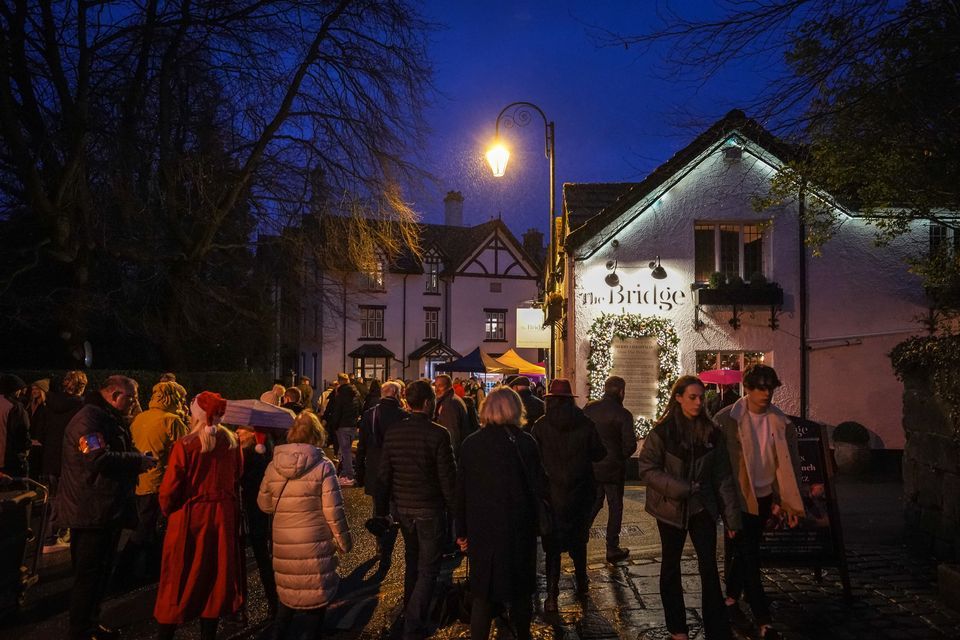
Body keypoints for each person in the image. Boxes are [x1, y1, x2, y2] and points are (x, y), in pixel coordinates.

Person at [637, 375, 742, 640]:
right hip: (670, 508)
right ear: (679, 398)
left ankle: (717, 628)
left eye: (700, 397)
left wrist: (731, 518)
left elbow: (723, 476)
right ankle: (678, 629)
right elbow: (648, 469)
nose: (697, 402)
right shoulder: (663, 432)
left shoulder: (712, 432)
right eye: (692, 397)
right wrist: (679, 487)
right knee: (670, 566)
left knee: (708, 566)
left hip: (702, 506)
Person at [59, 375, 156, 640]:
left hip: (104, 507)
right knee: (88, 574)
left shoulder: (105, 417)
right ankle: (80, 629)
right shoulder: (89, 420)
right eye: (132, 398)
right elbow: (97, 458)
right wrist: (136, 461)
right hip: (91, 510)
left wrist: (136, 457)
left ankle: (91, 622)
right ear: (114, 395)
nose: (135, 403)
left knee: (101, 571)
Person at [713, 364, 804, 640]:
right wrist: (726, 511)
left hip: (765, 498)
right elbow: (720, 468)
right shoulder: (726, 420)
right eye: (760, 388)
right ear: (748, 388)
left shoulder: (780, 421)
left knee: (745, 551)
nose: (766, 394)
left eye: (770, 388)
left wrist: (784, 500)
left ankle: (730, 600)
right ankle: (764, 621)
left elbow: (788, 464)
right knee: (751, 555)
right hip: (739, 499)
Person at [456, 387, 547, 640]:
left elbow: (460, 491)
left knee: (483, 595)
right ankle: (522, 634)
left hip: (483, 529)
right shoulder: (525, 442)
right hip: (518, 528)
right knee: (520, 594)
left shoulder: (471, 444)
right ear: (516, 410)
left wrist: (461, 531)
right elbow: (540, 486)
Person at [154, 392, 244, 640]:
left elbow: (170, 488)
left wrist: (166, 511)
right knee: (214, 576)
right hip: (222, 516)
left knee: (180, 576)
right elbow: (237, 475)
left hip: (190, 516)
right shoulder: (231, 442)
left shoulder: (186, 445)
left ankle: (166, 632)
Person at [258, 411, 352, 640]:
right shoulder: (323, 466)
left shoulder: (273, 465)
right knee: (314, 607)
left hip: (285, 545)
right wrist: (344, 540)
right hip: (314, 545)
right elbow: (333, 510)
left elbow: (264, 503)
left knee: (287, 603)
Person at [377, 379, 456, 640]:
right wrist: (457, 511)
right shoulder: (438, 434)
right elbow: (448, 479)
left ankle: (409, 609)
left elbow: (384, 475)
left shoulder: (394, 432)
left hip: (403, 509)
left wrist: (383, 510)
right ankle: (413, 622)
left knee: (412, 561)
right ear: (426, 403)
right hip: (429, 509)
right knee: (429, 568)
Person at [531, 378, 605, 613]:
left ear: (551, 400)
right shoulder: (585, 423)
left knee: (552, 549)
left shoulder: (541, 426)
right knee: (579, 541)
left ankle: (552, 598)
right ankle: (582, 582)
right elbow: (599, 453)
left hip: (552, 495)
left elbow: (534, 458)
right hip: (580, 492)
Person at [119, 381, 189, 583]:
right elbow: (184, 451)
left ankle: (144, 568)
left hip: (139, 479)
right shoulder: (171, 420)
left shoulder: (140, 417)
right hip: (159, 481)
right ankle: (128, 571)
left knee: (145, 526)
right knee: (149, 528)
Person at [584, 375, 638, 564]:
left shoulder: (590, 409)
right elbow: (630, 444)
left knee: (594, 502)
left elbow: (584, 436)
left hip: (593, 466)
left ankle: (581, 535)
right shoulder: (623, 414)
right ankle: (612, 547)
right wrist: (618, 457)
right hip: (614, 469)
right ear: (621, 392)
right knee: (615, 507)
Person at [356, 380, 408, 568]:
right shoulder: (403, 416)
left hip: (375, 470)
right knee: (394, 510)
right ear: (397, 394)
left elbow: (361, 446)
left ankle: (380, 544)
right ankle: (388, 548)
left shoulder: (370, 414)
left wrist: (359, 471)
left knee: (378, 508)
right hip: (395, 470)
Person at [33, 370, 87, 552]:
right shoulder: (81, 408)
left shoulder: (48, 405)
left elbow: (39, 434)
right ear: (81, 387)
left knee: (53, 498)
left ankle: (53, 535)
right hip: (70, 460)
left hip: (50, 459)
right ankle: (51, 537)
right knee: (67, 499)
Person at [236, 424, 279, 618]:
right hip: (255, 511)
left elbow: (247, 482)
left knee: (262, 557)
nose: (237, 431)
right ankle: (273, 602)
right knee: (262, 557)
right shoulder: (261, 451)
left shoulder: (255, 455)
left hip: (255, 511)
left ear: (253, 434)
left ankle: (273, 602)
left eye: (242, 429)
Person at [323, 373, 361, 485]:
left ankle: (349, 476)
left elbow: (337, 412)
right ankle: (345, 473)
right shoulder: (356, 393)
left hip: (343, 425)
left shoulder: (341, 394)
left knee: (345, 451)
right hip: (352, 424)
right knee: (346, 450)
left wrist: (334, 426)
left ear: (340, 381)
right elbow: (360, 407)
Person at [0, 374, 31, 477]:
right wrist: (26, 449)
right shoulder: (15, 408)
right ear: (15, 390)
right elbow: (22, 432)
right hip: (9, 460)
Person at [433, 374, 467, 455]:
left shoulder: (449, 404)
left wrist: (450, 456)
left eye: (440, 386)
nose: (437, 389)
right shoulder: (450, 400)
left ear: (449, 386)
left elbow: (452, 434)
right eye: (436, 386)